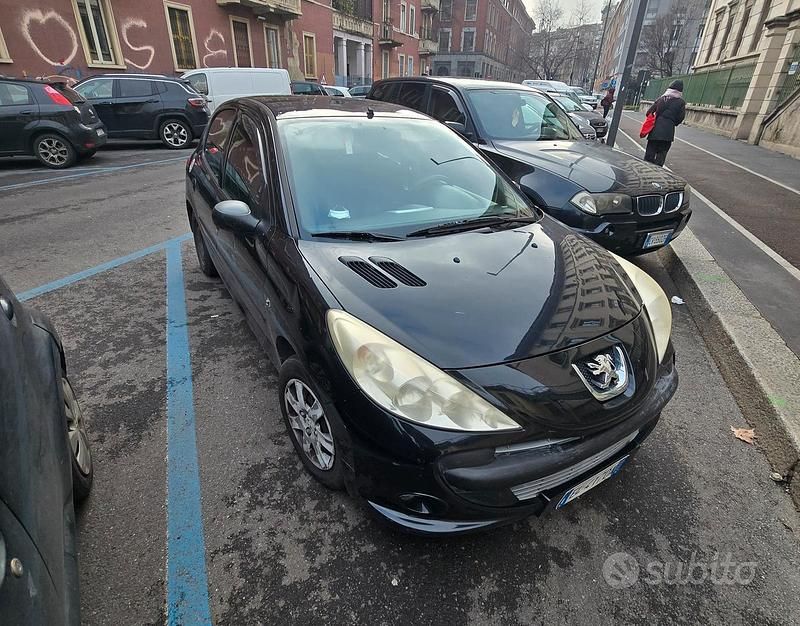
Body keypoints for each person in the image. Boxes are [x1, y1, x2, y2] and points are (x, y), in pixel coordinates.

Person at [644, 79, 686, 167]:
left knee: (649, 154)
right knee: (661, 155)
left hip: (655, 130)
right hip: (668, 132)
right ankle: (658, 172)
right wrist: (672, 123)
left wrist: (655, 118)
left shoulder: (661, 99)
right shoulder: (681, 102)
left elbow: (649, 113)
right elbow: (680, 118)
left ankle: (646, 170)